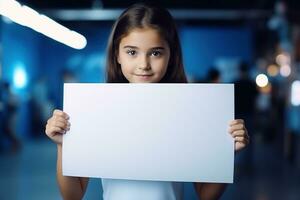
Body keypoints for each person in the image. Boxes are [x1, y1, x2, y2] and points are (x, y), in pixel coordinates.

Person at [45, 3, 249, 200]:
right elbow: (72, 195)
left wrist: (225, 152)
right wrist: (63, 146)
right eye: (132, 52)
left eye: (156, 53)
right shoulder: (98, 108)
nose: (144, 64)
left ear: (171, 55)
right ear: (117, 54)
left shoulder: (187, 110)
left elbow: (206, 195)